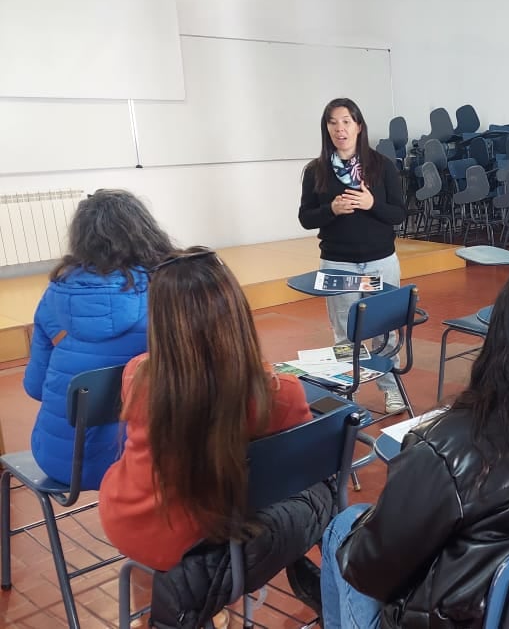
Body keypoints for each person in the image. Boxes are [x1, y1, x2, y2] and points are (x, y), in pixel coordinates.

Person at [310, 266, 509, 628]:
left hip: (467, 617)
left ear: (498, 339)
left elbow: (369, 573)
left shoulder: (446, 447)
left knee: (344, 526)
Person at [98, 248, 333, 626]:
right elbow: (300, 467)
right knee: (319, 485)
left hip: (130, 522)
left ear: (161, 321)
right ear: (236, 312)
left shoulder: (138, 376)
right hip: (210, 541)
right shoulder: (279, 391)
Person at [22, 189, 174, 489]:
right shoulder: (165, 290)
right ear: (144, 231)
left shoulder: (54, 295)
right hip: (148, 459)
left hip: (62, 460)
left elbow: (35, 387)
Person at [299, 97, 409, 413]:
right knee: (345, 335)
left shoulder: (382, 166)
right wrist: (330, 209)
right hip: (337, 261)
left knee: (385, 331)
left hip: (379, 260)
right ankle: (347, 391)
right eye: (332, 123)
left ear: (358, 126)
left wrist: (372, 204)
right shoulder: (316, 171)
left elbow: (398, 214)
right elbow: (306, 218)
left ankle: (391, 389)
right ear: (326, 129)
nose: (340, 129)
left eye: (346, 121)